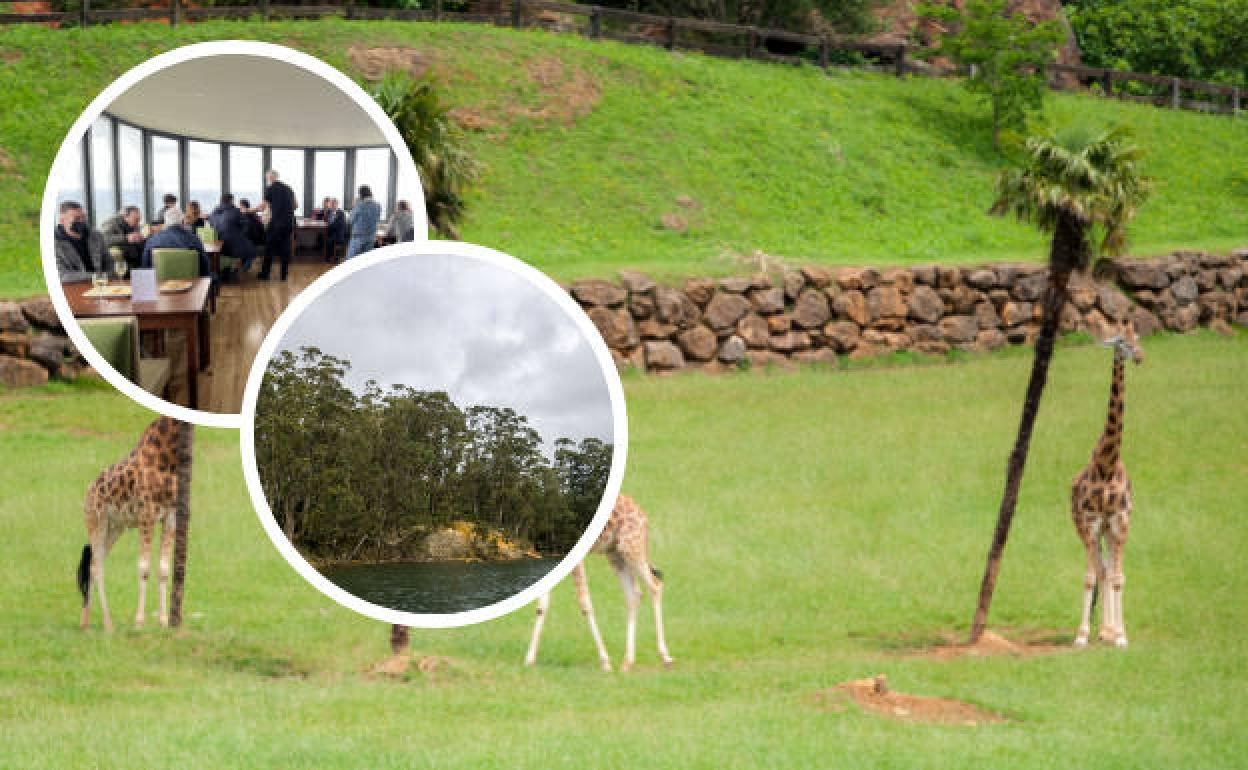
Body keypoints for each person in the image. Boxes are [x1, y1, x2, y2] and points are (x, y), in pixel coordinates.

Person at [141, 206, 211, 279]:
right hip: (191, 285)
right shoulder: (194, 239)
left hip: (159, 286)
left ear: (165, 222)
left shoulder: (152, 240)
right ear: (182, 221)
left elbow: (145, 268)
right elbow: (205, 267)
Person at [54, 201, 110, 283]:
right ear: (62, 221)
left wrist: (109, 276)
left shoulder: (97, 236)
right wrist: (97, 276)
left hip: (102, 284)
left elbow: (109, 262)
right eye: (76, 218)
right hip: (73, 287)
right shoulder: (53, 243)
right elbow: (61, 275)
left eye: (83, 217)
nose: (82, 221)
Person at [256, 169, 296, 281]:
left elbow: (262, 206)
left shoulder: (270, 189)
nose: (266, 180)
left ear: (270, 178)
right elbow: (295, 205)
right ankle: (284, 275)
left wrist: (248, 210)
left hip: (277, 224)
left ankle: (265, 274)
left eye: (267, 178)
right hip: (289, 223)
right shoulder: (288, 188)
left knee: (269, 248)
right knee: (286, 249)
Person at [208, 193, 258, 274]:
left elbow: (212, 225)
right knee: (253, 252)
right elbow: (246, 224)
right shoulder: (236, 211)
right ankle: (240, 270)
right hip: (233, 244)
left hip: (219, 245)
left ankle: (235, 269)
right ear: (231, 201)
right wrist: (240, 234)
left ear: (221, 201)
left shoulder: (213, 213)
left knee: (246, 247)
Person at [99, 205, 145, 269]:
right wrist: (126, 238)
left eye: (139, 220)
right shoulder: (111, 223)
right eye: (136, 220)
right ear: (125, 216)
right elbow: (103, 239)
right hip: (120, 253)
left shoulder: (134, 225)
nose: (138, 223)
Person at [345, 185, 381, 260]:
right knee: (365, 261)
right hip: (371, 237)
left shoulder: (359, 205)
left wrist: (353, 206)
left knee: (350, 262)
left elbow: (350, 220)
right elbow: (377, 220)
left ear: (361, 194)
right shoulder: (378, 206)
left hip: (358, 237)